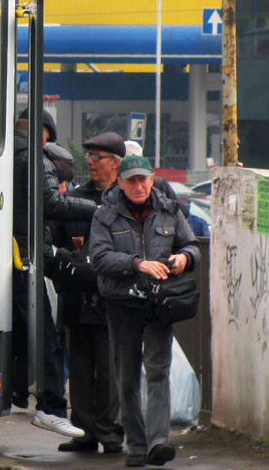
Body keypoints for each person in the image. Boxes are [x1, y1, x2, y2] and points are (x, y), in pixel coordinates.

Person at [89, 155, 201, 468]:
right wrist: (137, 264)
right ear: (120, 183)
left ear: (152, 179)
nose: (138, 186)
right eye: (131, 181)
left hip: (159, 303)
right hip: (122, 304)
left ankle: (157, 442)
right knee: (126, 377)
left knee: (158, 371)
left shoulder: (170, 209)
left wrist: (184, 258)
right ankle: (137, 445)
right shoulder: (104, 215)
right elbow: (98, 258)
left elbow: (191, 245)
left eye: (143, 180)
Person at [11, 109, 95, 439]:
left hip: (4, 257)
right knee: (46, 337)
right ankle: (52, 408)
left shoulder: (1, 153)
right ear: (44, 133)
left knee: (20, 331)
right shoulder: (34, 155)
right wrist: (96, 210)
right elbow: (51, 203)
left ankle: (19, 390)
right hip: (26, 259)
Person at [52, 131, 126, 454]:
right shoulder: (75, 199)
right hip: (77, 297)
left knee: (109, 369)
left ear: (115, 163)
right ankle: (83, 431)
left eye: (97, 157)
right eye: (89, 157)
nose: (91, 162)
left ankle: (110, 432)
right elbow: (54, 239)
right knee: (80, 368)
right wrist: (69, 255)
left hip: (111, 298)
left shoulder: (124, 200)